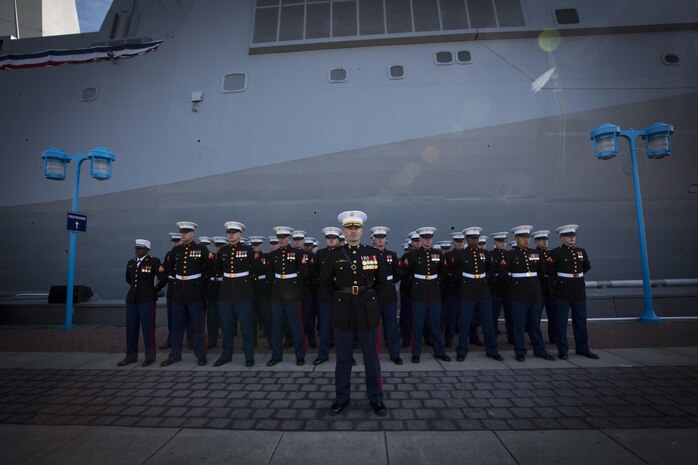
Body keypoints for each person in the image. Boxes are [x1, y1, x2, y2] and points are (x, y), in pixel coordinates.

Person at [321, 210, 388, 416]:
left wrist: (373, 304)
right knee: (343, 359)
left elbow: (383, 284)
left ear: (362, 230)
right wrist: (340, 301)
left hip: (367, 311)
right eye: (349, 229)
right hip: (343, 311)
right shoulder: (333, 255)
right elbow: (325, 286)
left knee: (371, 358)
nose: (353, 232)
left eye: (356, 228)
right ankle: (342, 398)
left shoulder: (374, 253)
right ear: (343, 231)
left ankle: (376, 399)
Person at [499, 225, 556, 362]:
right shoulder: (509, 254)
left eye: (527, 237)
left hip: (535, 293)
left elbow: (542, 272)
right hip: (518, 294)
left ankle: (540, 350)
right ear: (517, 238)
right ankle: (520, 351)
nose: (526, 240)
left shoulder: (534, 254)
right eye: (523, 237)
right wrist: (514, 287)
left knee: (535, 324)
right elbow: (503, 275)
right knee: (519, 325)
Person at [160, 221, 212, 366]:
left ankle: (201, 355)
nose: (183, 234)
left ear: (192, 233)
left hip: (195, 293)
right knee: (177, 326)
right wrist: (176, 280)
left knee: (197, 326)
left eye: (186, 232)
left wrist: (200, 281)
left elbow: (210, 268)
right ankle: (175, 355)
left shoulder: (201, 249)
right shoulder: (175, 251)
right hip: (178, 293)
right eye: (181, 232)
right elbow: (167, 267)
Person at [449, 227, 504, 362]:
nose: (475, 240)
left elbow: (492, 268)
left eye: (477, 238)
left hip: (483, 292)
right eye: (472, 238)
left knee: (487, 322)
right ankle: (462, 350)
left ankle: (492, 350)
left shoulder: (484, 253)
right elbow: (453, 270)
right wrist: (462, 279)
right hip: (467, 292)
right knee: (465, 322)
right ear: (467, 239)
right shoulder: (460, 254)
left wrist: (487, 279)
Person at [213, 221, 262, 367]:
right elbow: (218, 269)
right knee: (226, 326)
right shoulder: (223, 251)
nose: (231, 235)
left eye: (233, 233)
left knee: (246, 326)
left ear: (240, 234)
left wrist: (248, 286)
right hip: (226, 293)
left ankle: (249, 356)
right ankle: (226, 355)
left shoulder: (248, 250)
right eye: (229, 233)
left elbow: (256, 269)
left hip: (244, 293)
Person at [547, 224, 599, 360]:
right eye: (569, 236)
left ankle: (582, 348)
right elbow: (549, 270)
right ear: (561, 238)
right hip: (562, 291)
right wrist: (561, 279)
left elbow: (586, 266)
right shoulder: (555, 252)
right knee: (561, 322)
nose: (572, 238)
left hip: (579, 290)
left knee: (581, 320)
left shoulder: (581, 251)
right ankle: (562, 350)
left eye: (573, 236)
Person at [401, 227, 451, 363]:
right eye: (424, 238)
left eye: (429, 238)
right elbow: (406, 272)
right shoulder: (413, 255)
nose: (427, 240)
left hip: (434, 293)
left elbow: (443, 270)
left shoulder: (438, 253)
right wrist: (416, 282)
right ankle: (416, 353)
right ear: (421, 239)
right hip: (418, 293)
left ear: (432, 239)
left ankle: (439, 351)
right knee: (417, 324)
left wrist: (436, 281)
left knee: (436, 324)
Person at [119, 239, 167, 367]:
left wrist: (154, 290)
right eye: (136, 248)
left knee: (148, 329)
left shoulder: (153, 261)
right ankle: (131, 356)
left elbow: (163, 279)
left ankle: (150, 356)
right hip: (132, 300)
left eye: (140, 249)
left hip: (147, 300)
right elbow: (128, 279)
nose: (137, 251)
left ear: (147, 250)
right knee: (131, 329)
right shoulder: (131, 263)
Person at [266, 226, 310, 366]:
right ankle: (276, 355)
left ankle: (300, 355)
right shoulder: (273, 255)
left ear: (289, 237)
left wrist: (296, 286)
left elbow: (304, 273)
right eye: (280, 237)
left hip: (293, 294)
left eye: (285, 237)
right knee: (276, 326)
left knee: (296, 325)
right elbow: (269, 274)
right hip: (277, 294)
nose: (282, 240)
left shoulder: (297, 253)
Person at [370, 226, 403, 365]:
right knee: (372, 328)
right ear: (373, 239)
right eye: (377, 238)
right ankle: (372, 355)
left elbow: (399, 273)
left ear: (386, 239)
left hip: (389, 295)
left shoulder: (392, 255)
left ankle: (395, 354)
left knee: (391, 327)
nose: (380, 240)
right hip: (373, 295)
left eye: (382, 237)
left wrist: (388, 283)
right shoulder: (368, 255)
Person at [312, 226, 342, 365]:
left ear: (338, 239)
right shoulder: (319, 254)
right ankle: (322, 354)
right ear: (326, 240)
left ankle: (346, 356)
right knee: (324, 327)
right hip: (325, 295)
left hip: (341, 295)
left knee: (343, 328)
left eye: (333, 238)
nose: (331, 240)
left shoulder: (344, 253)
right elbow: (315, 272)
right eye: (328, 238)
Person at [532, 230, 555, 343]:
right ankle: (535, 339)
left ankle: (553, 337)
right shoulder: (533, 254)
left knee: (554, 316)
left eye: (546, 240)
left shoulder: (552, 254)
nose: (545, 242)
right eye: (542, 240)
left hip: (551, 289)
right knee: (535, 317)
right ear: (536, 241)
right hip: (539, 289)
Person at [489, 232, 510, 341]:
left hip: (508, 289)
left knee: (510, 315)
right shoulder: (491, 255)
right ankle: (493, 337)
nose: (502, 244)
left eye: (504, 241)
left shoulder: (509, 254)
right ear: (495, 242)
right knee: (494, 315)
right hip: (495, 289)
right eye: (500, 241)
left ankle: (511, 337)